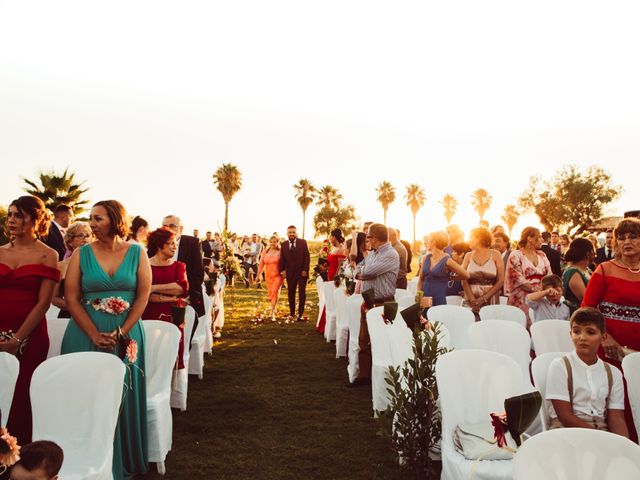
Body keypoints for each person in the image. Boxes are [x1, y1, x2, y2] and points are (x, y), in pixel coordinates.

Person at [61, 200, 150, 479]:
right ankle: (85, 459)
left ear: (114, 219)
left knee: (123, 393)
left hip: (127, 334)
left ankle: (125, 459)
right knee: (88, 395)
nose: (92, 224)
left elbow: (142, 297)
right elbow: (72, 298)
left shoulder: (137, 253)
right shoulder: (81, 254)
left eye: (98, 218)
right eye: (91, 219)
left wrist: (122, 332)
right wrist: (92, 333)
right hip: (85, 332)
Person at [0, 196, 59, 444]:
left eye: (20, 215)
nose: (12, 220)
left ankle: (17, 453)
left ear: (36, 219)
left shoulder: (48, 255)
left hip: (30, 335)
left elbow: (44, 302)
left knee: (21, 394)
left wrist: (17, 339)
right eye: (10, 215)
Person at [582, 217, 640, 441]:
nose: (627, 241)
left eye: (633, 236)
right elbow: (587, 309)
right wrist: (606, 340)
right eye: (622, 237)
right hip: (611, 350)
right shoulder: (605, 270)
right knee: (617, 400)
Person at [545, 308, 628, 437]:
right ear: (570, 334)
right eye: (576, 331)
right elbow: (564, 415)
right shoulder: (560, 366)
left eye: (590, 332)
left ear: (603, 337)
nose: (582, 338)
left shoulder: (613, 373)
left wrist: (624, 447)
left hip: (602, 432)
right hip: (565, 432)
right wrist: (598, 438)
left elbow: (617, 418)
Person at [352, 223, 399, 386]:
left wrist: (363, 272)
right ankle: (364, 376)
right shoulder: (373, 253)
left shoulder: (390, 254)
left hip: (384, 303)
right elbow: (359, 268)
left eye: (368, 237)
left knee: (382, 341)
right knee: (363, 339)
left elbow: (368, 271)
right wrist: (363, 272)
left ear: (375, 238)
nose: (367, 240)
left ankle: (385, 379)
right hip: (368, 301)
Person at [141, 227, 188, 368]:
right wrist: (170, 295)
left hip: (174, 315)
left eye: (176, 244)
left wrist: (153, 288)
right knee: (151, 354)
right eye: (171, 243)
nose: (175, 247)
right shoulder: (144, 266)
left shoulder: (179, 266)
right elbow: (143, 294)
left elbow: (182, 288)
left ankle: (169, 389)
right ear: (159, 244)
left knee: (171, 356)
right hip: (149, 313)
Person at [505, 227, 552, 327]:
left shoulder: (542, 255)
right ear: (529, 238)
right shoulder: (516, 255)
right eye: (539, 237)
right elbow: (518, 279)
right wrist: (538, 291)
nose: (542, 240)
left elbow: (549, 276)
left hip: (540, 299)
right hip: (521, 299)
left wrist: (544, 292)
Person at [162, 215, 205, 320]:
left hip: (187, 298)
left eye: (172, 226)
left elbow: (198, 273)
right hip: (162, 298)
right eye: (164, 226)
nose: (167, 229)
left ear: (180, 229)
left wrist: (188, 298)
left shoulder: (192, 243)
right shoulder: (156, 244)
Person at [419, 231, 470, 308]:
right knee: (425, 318)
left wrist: (451, 277)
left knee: (438, 318)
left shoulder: (447, 260)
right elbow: (420, 280)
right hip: (425, 297)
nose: (426, 243)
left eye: (428, 240)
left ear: (433, 242)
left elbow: (466, 275)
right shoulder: (425, 258)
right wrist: (419, 295)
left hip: (439, 297)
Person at [51, 221, 92, 318]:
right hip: (69, 315)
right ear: (70, 240)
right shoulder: (60, 266)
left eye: (88, 235)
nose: (85, 239)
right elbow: (54, 298)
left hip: (95, 314)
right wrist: (75, 307)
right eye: (81, 235)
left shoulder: (100, 263)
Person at [461, 227, 504, 313]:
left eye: (470, 237)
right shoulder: (468, 256)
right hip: (470, 298)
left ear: (479, 239)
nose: (468, 240)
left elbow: (500, 281)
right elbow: (463, 279)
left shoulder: (496, 254)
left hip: (490, 297)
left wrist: (483, 299)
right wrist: (472, 299)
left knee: (489, 324)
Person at [279, 226, 310, 321]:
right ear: (287, 233)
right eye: (290, 232)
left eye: (293, 232)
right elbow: (282, 259)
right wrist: (283, 270)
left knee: (302, 293)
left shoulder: (303, 242)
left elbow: (307, 257)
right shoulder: (283, 244)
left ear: (296, 233)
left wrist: (305, 270)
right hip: (290, 273)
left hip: (302, 272)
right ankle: (292, 313)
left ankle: (300, 314)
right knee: (290, 293)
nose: (291, 234)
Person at [562, 237, 594, 313]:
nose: (594, 254)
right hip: (579, 315)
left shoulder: (587, 269)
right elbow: (586, 298)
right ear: (588, 253)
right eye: (593, 250)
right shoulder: (573, 272)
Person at [256, 235, 283, 321]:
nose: (272, 243)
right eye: (271, 242)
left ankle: (272, 311)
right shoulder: (265, 251)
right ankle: (273, 306)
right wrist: (258, 275)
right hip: (268, 275)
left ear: (277, 242)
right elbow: (261, 264)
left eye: (274, 242)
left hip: (278, 275)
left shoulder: (281, 251)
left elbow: (285, 262)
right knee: (271, 293)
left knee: (275, 291)